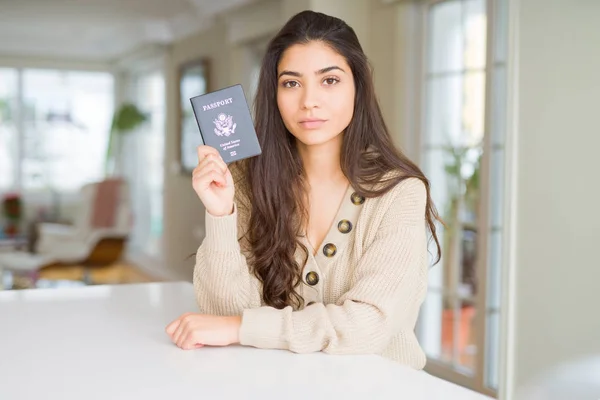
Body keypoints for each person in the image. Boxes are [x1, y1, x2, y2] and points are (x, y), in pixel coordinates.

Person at [165, 10, 441, 370]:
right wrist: (221, 214)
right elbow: (222, 315)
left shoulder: (399, 193)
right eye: (291, 83)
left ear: (358, 85)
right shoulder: (249, 183)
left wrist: (241, 327)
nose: (309, 100)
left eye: (329, 80)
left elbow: (369, 326)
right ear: (275, 93)